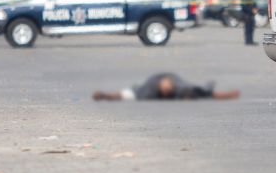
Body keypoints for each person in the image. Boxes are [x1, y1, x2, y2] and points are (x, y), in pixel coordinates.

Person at [92, 73, 240, 101]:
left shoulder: (180, 86)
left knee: (199, 91)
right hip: (151, 88)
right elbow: (128, 94)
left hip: (180, 87)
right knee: (133, 94)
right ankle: (104, 96)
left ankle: (227, 95)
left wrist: (228, 95)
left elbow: (204, 93)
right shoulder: (148, 89)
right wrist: (106, 95)